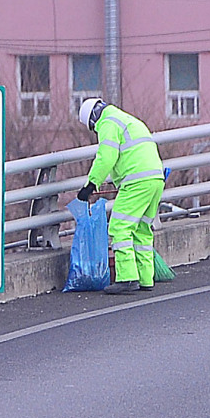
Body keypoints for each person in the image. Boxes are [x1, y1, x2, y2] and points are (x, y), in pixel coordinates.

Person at [77, 98, 164, 294]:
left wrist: (91, 184)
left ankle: (127, 278)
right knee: (142, 228)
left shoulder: (108, 123)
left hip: (136, 181)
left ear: (92, 121)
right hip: (155, 179)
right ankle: (145, 278)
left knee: (119, 227)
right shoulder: (126, 119)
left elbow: (106, 156)